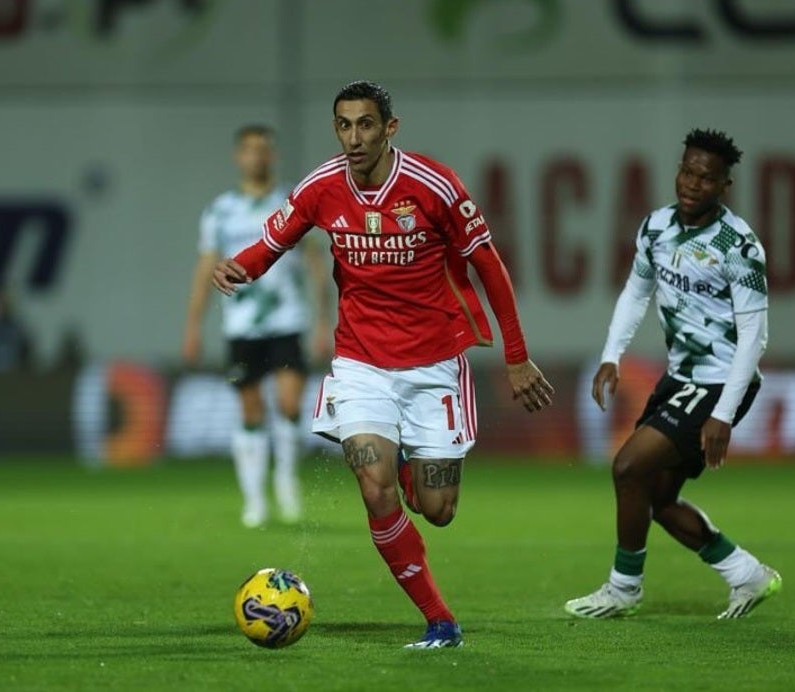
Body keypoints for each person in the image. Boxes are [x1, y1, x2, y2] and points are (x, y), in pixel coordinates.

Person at [212, 81, 554, 648]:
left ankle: (406, 470)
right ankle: (440, 620)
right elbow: (276, 238)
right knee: (373, 487)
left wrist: (516, 358)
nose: (353, 137)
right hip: (361, 363)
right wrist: (242, 268)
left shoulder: (433, 185)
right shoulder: (322, 186)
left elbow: (489, 265)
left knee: (437, 509)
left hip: (434, 364)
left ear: (389, 128)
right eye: (343, 125)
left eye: (365, 124)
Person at [565, 128, 781, 620]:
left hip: (721, 380)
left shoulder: (739, 246)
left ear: (724, 186)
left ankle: (623, 589)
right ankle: (747, 574)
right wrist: (611, 354)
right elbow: (636, 292)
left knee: (627, 467)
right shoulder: (656, 227)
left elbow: (754, 337)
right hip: (680, 378)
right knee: (658, 498)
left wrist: (723, 413)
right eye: (687, 171)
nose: (691, 183)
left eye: (706, 178)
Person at [183, 124, 331, 528]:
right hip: (241, 324)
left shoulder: (291, 201)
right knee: (250, 410)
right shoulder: (220, 211)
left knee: (287, 404)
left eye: (263, 149)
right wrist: (194, 324)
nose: (256, 157)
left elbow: (317, 263)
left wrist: (322, 319)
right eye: (249, 150)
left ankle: (285, 481)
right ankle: (254, 500)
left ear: (273, 155)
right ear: (238, 157)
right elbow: (205, 269)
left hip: (287, 319)